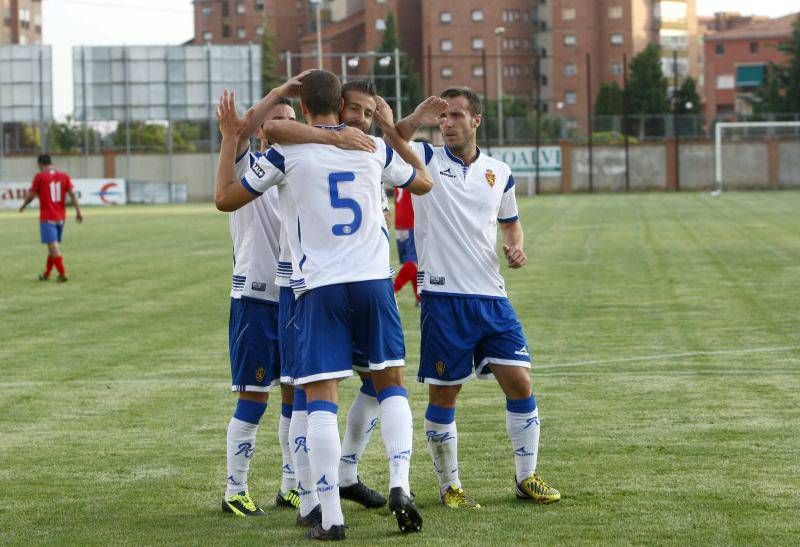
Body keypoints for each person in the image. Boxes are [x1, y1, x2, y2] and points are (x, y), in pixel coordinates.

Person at [215, 70, 432, 540]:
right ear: (342, 105)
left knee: (317, 396)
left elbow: (225, 197)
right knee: (389, 382)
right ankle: (401, 482)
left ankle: (328, 514)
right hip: (374, 283)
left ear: (306, 105)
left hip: (316, 288)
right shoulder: (371, 148)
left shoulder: (287, 151)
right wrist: (391, 131)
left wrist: (237, 131)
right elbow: (424, 183)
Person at [391, 88, 561, 508]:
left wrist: (516, 246)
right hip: (444, 297)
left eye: (455, 116)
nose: (447, 123)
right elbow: (394, 138)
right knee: (445, 394)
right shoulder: (426, 159)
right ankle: (450, 485)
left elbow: (510, 222)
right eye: (443, 116)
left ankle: (526, 478)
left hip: (491, 296)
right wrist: (417, 115)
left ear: (476, 121)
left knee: (520, 381)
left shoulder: (499, 172)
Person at [220, 97, 302, 518]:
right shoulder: (245, 164)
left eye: (293, 118)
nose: (287, 124)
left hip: (294, 297)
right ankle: (235, 489)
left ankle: (290, 486)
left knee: (295, 395)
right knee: (254, 398)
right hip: (255, 298)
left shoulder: (300, 167)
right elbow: (236, 140)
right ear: (260, 128)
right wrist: (277, 91)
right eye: (277, 119)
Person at [18, 154, 83, 281]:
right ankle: (46, 274)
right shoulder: (64, 176)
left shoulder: (40, 176)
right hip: (61, 217)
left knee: (53, 246)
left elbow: (31, 195)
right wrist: (78, 212)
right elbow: (73, 194)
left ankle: (62, 273)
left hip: (47, 217)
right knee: (52, 247)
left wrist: (24, 205)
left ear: (40, 165)